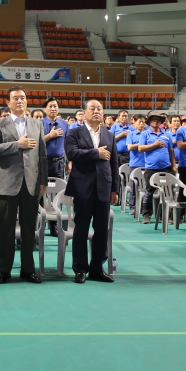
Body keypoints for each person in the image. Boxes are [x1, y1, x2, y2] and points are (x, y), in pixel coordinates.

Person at [0, 85, 48, 284]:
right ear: (8, 102)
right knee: (5, 229)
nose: (20, 101)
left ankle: (27, 269)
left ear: (27, 101)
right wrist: (17, 145)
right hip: (7, 183)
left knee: (29, 229)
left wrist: (43, 181)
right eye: (15, 98)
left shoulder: (36, 124)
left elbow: (42, 155)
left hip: (31, 183)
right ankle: (4, 270)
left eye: (23, 97)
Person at [64, 99, 119, 283]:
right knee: (81, 229)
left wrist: (115, 189)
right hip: (82, 188)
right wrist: (96, 153)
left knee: (102, 230)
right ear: (84, 112)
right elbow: (72, 153)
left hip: (104, 187)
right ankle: (80, 269)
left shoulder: (109, 135)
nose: (96, 111)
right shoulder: (74, 133)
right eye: (92, 108)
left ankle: (97, 268)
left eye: (99, 109)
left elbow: (114, 164)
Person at [136, 112, 176, 222]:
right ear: (149, 121)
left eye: (158, 119)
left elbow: (171, 151)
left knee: (167, 192)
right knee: (149, 191)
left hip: (165, 168)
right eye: (153, 119)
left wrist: (173, 165)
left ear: (161, 121)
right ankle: (147, 214)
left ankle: (166, 215)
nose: (156, 121)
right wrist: (155, 145)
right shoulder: (145, 134)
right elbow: (140, 148)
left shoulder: (166, 135)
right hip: (151, 168)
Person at [41, 97, 69, 180]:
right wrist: (50, 135)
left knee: (59, 189)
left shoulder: (64, 124)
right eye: (50, 106)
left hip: (59, 163)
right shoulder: (39, 124)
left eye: (55, 106)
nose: (53, 109)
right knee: (43, 189)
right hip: (44, 162)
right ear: (45, 109)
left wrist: (69, 162)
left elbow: (67, 144)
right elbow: (36, 142)